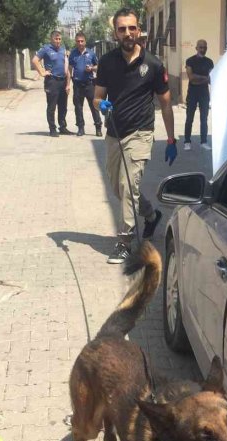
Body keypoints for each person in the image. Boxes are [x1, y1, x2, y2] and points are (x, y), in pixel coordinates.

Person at [95, 7, 177, 265]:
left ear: (139, 30)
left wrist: (172, 140)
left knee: (129, 187)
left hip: (141, 133)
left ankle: (125, 242)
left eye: (132, 28)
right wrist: (100, 105)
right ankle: (151, 215)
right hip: (114, 134)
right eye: (122, 29)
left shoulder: (153, 64)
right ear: (115, 33)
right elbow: (97, 97)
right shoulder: (107, 62)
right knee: (119, 188)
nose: (128, 33)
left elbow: (166, 104)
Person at [33, 31, 72, 137]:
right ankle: (52, 129)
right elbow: (35, 60)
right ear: (51, 39)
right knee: (52, 106)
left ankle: (62, 127)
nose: (58, 41)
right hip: (52, 81)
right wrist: (42, 72)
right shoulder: (46, 49)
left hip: (63, 81)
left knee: (63, 106)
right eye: (56, 39)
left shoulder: (63, 50)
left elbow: (67, 67)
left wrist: (68, 83)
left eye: (59, 39)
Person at [68, 32, 102, 137]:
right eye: (78, 41)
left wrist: (91, 68)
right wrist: (68, 83)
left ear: (85, 42)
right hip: (77, 84)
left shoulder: (91, 53)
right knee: (78, 107)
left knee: (94, 106)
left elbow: (98, 67)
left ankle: (98, 128)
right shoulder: (73, 54)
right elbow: (69, 69)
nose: (80, 43)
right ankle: (80, 128)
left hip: (89, 84)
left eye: (82, 41)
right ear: (76, 42)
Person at [184, 39, 214, 151]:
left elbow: (211, 79)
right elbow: (191, 78)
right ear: (196, 48)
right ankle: (187, 141)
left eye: (204, 47)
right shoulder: (190, 61)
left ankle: (204, 141)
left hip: (204, 93)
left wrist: (199, 78)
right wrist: (205, 78)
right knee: (189, 118)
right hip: (192, 92)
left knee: (204, 118)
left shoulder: (209, 62)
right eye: (201, 47)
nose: (203, 49)